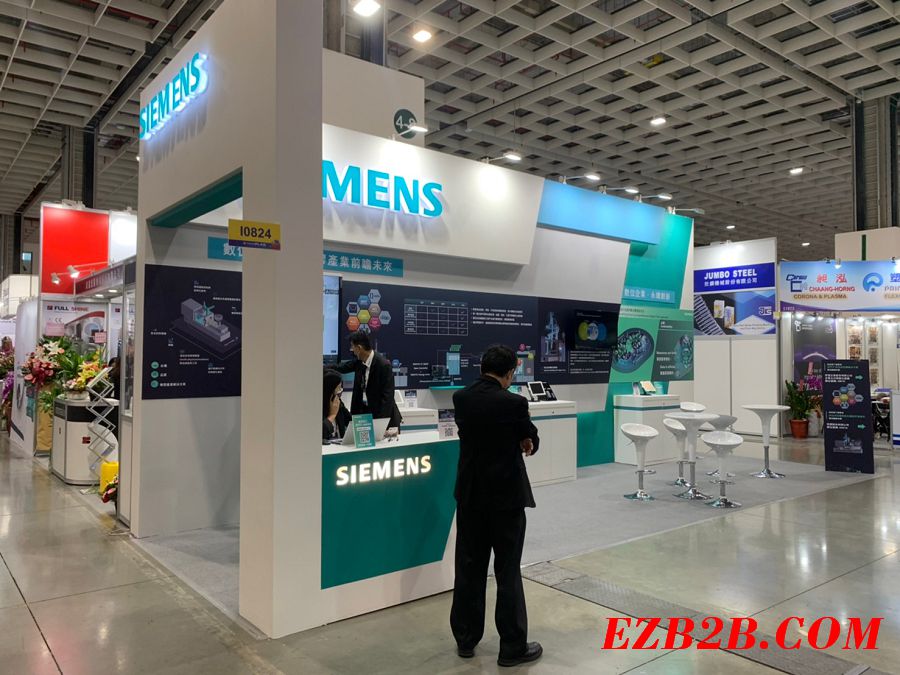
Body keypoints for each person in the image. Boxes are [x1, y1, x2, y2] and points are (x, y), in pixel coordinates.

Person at [450, 344, 542, 667]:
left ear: (482, 368)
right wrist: (525, 440)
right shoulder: (514, 403)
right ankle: (512, 647)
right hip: (506, 499)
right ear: (510, 373)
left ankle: (465, 639)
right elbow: (529, 437)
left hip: (471, 496)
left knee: (469, 567)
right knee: (507, 570)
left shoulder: (461, 399)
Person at [333, 330, 401, 429]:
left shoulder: (383, 365)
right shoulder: (360, 362)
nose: (351, 350)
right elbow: (342, 367)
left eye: (352, 346)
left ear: (359, 348)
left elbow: (387, 398)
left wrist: (379, 425)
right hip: (364, 415)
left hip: (382, 418)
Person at [322, 369, 351, 441]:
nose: (341, 390)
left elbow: (352, 422)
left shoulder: (338, 402)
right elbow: (320, 433)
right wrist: (332, 415)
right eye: (338, 388)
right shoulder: (316, 407)